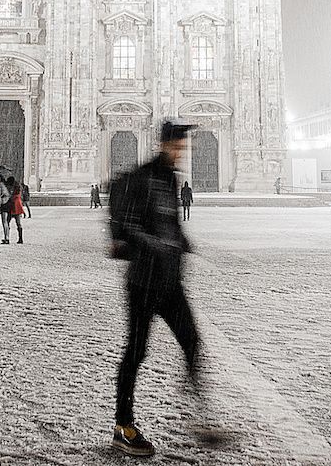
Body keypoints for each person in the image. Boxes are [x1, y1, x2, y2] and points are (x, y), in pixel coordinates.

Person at [109, 120, 210, 457]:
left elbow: (171, 223)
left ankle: (199, 416)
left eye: (184, 147)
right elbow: (128, 225)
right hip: (143, 281)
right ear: (165, 144)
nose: (182, 152)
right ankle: (124, 425)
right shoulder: (142, 177)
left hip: (169, 280)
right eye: (178, 146)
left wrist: (181, 242)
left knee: (193, 342)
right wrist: (154, 242)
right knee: (136, 351)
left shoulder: (169, 177)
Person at [4, 176, 25, 244]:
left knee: (8, 223)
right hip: (15, 209)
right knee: (17, 224)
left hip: (11, 209)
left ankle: (8, 238)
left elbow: (13, 198)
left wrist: (9, 197)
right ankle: (19, 238)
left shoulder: (13, 190)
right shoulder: (17, 188)